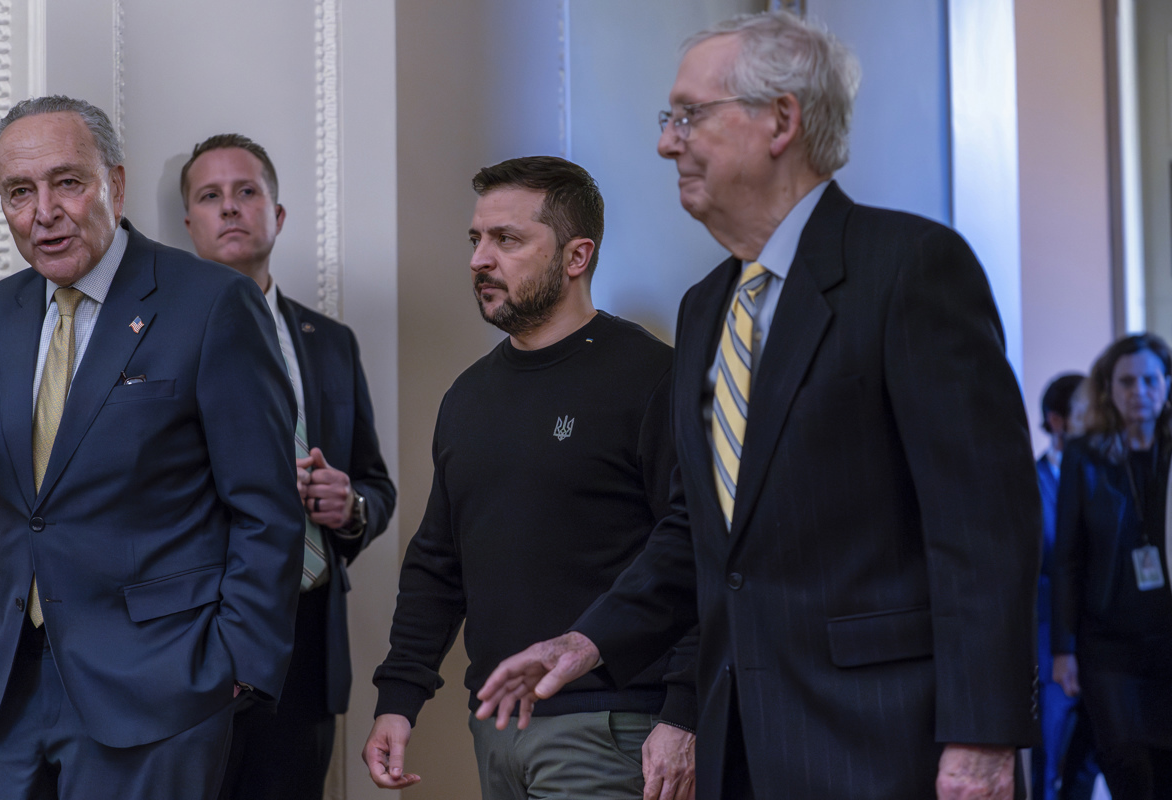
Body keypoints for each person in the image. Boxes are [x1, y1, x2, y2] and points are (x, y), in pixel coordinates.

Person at [476, 13, 1040, 800]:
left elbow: (984, 529)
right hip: (738, 740)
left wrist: (983, 739)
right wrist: (589, 639)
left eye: (689, 115)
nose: (667, 142)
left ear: (781, 119)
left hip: (886, 740)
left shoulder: (910, 268)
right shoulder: (706, 306)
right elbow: (702, 532)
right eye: (667, 119)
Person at [0, 96, 304, 799]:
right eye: (20, 191)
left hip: (162, 688)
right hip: (11, 688)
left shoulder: (212, 303)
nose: (44, 210)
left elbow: (267, 508)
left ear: (116, 183)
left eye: (67, 182)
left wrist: (237, 668)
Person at [362, 156, 698, 800]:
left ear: (576, 256)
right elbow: (438, 562)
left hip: (614, 727)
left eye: (507, 239)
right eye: (476, 239)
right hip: (495, 734)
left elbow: (699, 552)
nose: (479, 259)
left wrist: (684, 711)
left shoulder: (652, 379)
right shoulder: (469, 395)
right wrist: (398, 700)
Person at [180, 133, 396, 800]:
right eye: (210, 196)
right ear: (189, 223)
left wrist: (351, 505)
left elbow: (376, 483)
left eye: (247, 192)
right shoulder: (157, 339)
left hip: (307, 645)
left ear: (277, 215)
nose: (231, 208)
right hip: (195, 641)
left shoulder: (330, 343)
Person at [1052, 334, 1172, 800]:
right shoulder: (1085, 457)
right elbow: (1067, 556)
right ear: (1108, 390)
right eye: (1126, 382)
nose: (1138, 391)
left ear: (1166, 384)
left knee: (1165, 765)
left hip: (1168, 639)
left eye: (1149, 380)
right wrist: (1063, 649)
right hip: (1108, 643)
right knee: (1123, 760)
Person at [1034, 374, 1102, 800]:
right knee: (1049, 764)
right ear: (1057, 421)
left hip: (1104, 647)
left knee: (1091, 765)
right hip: (1051, 650)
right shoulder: (1028, 484)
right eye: (1084, 414)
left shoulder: (1108, 478)